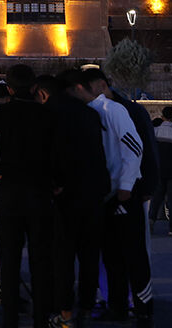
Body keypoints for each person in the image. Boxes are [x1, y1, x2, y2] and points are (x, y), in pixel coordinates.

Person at [0, 65, 57, 328]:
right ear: (33, 87)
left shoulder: (1, 113)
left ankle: (10, 318)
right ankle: (41, 317)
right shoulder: (46, 114)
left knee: (9, 257)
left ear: (8, 88)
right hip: (39, 191)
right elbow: (58, 152)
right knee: (40, 258)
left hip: (9, 191)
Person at [84, 68, 153, 327]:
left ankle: (144, 308)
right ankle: (118, 305)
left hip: (124, 194)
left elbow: (135, 147)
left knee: (134, 254)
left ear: (100, 86)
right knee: (112, 255)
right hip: (107, 196)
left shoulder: (115, 110)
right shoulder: (94, 111)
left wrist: (127, 185)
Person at [49, 70, 109, 328]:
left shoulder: (51, 113)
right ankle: (86, 307)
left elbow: (51, 154)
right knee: (89, 256)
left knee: (63, 258)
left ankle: (65, 314)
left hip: (64, 196)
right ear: (76, 88)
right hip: (93, 193)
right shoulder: (91, 114)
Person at [149, 106, 172, 236]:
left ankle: (150, 222)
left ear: (162, 116)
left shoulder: (156, 130)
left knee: (156, 199)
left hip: (158, 169)